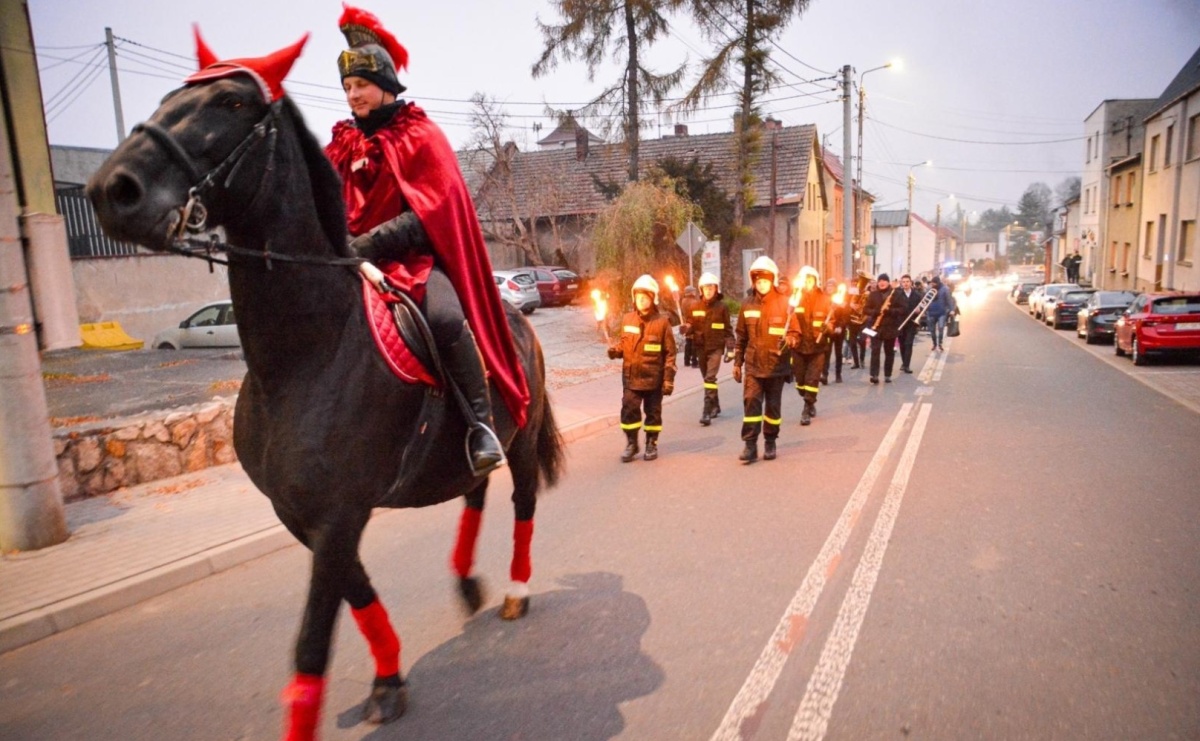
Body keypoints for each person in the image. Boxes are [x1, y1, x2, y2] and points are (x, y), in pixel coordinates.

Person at [324, 5, 527, 477]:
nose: (353, 95)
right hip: (352, 264)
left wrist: (367, 244)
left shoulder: (421, 135)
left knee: (444, 317)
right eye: (348, 88)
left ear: (386, 86)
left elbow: (433, 211)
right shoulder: (340, 145)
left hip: (414, 263)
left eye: (361, 86)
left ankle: (481, 426)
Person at [607, 275, 676, 462]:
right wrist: (616, 350)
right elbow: (625, 344)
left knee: (653, 413)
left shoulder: (662, 323)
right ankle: (632, 443)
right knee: (629, 410)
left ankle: (651, 443)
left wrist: (668, 379)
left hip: (654, 379)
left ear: (653, 299)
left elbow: (670, 354)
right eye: (638, 297)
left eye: (645, 297)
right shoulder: (627, 319)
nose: (641, 301)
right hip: (631, 378)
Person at [732, 256, 793, 462]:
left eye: (765, 281)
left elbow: (795, 331)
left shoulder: (786, 304)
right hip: (753, 366)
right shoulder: (747, 305)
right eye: (758, 281)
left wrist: (791, 339)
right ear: (753, 282)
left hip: (776, 366)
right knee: (751, 404)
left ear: (773, 280)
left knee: (772, 407)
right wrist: (737, 363)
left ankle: (770, 441)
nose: (762, 284)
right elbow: (741, 336)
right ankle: (750, 445)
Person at [786, 266, 832, 425]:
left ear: (816, 281)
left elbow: (830, 320)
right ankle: (809, 400)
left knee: (812, 379)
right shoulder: (794, 298)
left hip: (817, 346)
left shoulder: (824, 298)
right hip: (798, 346)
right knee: (800, 381)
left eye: (810, 279)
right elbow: (787, 317)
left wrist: (829, 328)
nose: (808, 282)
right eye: (805, 279)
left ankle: (806, 408)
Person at [688, 272, 734, 426]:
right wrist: (685, 328)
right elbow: (690, 325)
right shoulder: (694, 306)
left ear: (716, 289)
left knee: (710, 378)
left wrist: (731, 349)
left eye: (711, 288)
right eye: (705, 288)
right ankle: (716, 405)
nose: (708, 291)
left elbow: (728, 330)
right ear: (701, 290)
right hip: (700, 348)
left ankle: (706, 411)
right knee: (708, 379)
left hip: (716, 348)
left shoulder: (722, 308)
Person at [862, 273, 906, 384]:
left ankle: (887, 374)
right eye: (880, 280)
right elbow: (865, 309)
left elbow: (903, 309)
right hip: (876, 327)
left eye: (884, 281)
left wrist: (890, 311)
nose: (882, 283)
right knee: (875, 351)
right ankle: (874, 375)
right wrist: (876, 312)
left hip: (890, 327)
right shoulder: (873, 294)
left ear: (888, 282)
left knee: (889, 352)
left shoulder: (896, 294)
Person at [822, 278, 849, 384]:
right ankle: (825, 374)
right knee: (826, 352)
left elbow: (845, 315)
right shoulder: (823, 298)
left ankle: (838, 374)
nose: (830, 288)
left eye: (832, 286)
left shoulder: (840, 299)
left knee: (838, 353)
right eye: (828, 286)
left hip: (838, 329)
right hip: (827, 329)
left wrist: (840, 326)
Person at [895, 274, 922, 374]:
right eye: (904, 282)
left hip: (911, 323)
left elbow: (923, 307)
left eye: (907, 281)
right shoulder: (897, 295)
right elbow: (894, 308)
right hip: (901, 322)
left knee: (909, 344)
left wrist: (920, 310)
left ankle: (907, 365)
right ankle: (904, 362)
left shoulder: (917, 295)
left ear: (911, 283)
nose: (906, 284)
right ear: (901, 283)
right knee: (902, 344)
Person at [924, 275, 953, 352]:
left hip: (942, 313)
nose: (932, 285)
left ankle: (940, 343)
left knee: (941, 328)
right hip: (931, 312)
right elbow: (925, 300)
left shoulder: (945, 289)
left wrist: (951, 309)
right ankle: (934, 344)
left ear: (938, 283)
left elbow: (949, 300)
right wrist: (924, 310)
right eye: (931, 284)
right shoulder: (929, 289)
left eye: (934, 284)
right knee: (932, 330)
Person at [679, 285, 701, 367]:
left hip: (686, 323)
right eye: (694, 291)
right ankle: (694, 361)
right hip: (693, 323)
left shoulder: (683, 301)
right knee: (694, 342)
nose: (695, 292)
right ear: (691, 292)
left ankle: (686, 360)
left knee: (688, 342)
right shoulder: (694, 302)